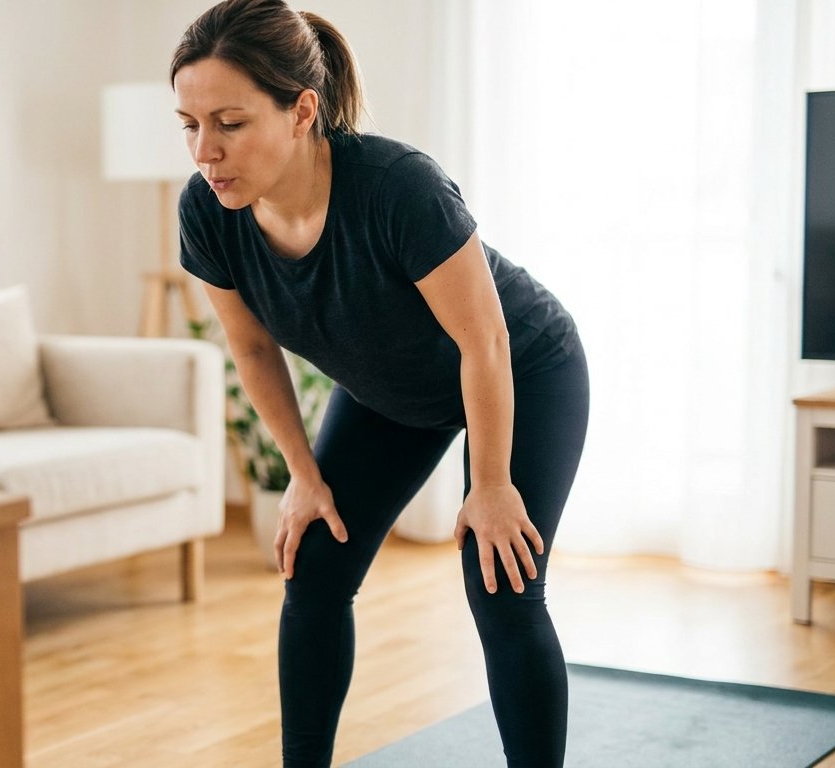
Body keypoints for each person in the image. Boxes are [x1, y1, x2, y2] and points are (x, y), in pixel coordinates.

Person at [170, 1, 589, 766]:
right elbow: (253, 350)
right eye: (189, 125)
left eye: (229, 123)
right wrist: (302, 476)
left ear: (302, 111)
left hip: (521, 366)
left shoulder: (398, 188)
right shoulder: (208, 212)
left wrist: (491, 484)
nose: (206, 150)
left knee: (501, 583)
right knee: (316, 566)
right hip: (389, 392)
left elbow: (484, 339)